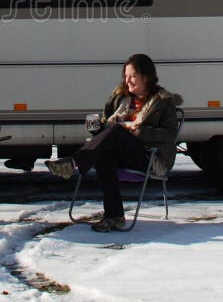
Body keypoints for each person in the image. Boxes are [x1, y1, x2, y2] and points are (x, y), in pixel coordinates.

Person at [46, 53, 183, 232]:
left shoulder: (162, 102)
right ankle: (114, 215)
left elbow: (170, 135)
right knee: (105, 156)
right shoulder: (120, 99)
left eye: (133, 76)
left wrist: (141, 132)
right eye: (126, 76)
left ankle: (73, 163)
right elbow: (106, 126)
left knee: (118, 132)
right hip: (121, 152)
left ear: (146, 77)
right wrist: (96, 128)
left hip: (149, 157)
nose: (128, 81)